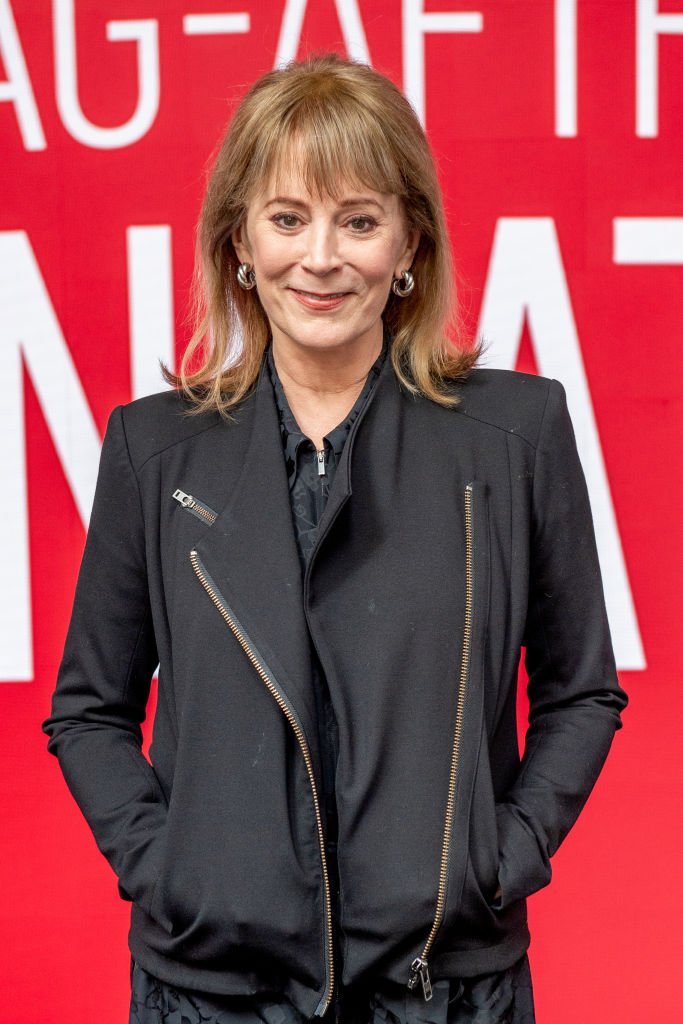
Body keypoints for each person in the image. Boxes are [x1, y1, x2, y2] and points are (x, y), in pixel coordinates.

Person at [42, 52, 628, 1024]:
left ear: (408, 245)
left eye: (357, 220)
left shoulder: (515, 432)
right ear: (238, 239)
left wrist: (493, 859)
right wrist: (173, 867)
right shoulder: (154, 450)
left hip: (444, 989)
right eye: (287, 218)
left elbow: (580, 690)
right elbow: (89, 710)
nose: (320, 257)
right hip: (212, 991)